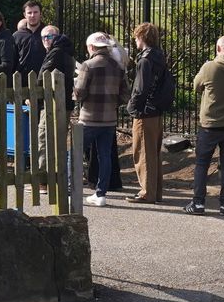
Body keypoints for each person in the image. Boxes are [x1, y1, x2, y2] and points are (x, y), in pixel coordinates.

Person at [185, 35, 224, 216]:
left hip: (210, 123)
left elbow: (196, 86)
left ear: (217, 48)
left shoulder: (209, 67)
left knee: (202, 163)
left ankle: (198, 203)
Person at [77, 32, 129, 207]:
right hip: (109, 118)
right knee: (105, 156)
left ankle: (71, 189)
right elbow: (125, 94)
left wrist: (76, 95)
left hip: (89, 118)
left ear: (91, 47)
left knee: (74, 153)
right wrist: (113, 103)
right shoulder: (118, 66)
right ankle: (101, 194)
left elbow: (79, 92)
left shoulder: (88, 65)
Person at [126, 22, 168, 204]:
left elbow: (140, 88)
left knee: (142, 152)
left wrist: (132, 107)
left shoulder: (145, 60)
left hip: (145, 112)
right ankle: (155, 191)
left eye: (136, 37)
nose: (135, 40)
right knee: (153, 152)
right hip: (156, 111)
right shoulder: (160, 56)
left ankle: (146, 192)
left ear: (142, 37)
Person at [38, 26, 76, 168]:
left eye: (49, 36)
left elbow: (43, 76)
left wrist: (36, 89)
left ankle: (44, 178)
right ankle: (58, 175)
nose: (45, 40)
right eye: (43, 37)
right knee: (58, 139)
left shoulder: (57, 52)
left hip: (54, 102)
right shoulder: (66, 50)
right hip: (63, 102)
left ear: (57, 36)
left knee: (45, 137)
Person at [14, 0, 47, 76]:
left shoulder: (49, 34)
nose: (32, 15)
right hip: (21, 80)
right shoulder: (17, 36)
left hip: (45, 79)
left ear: (40, 13)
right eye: (29, 13)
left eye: (35, 12)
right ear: (24, 15)